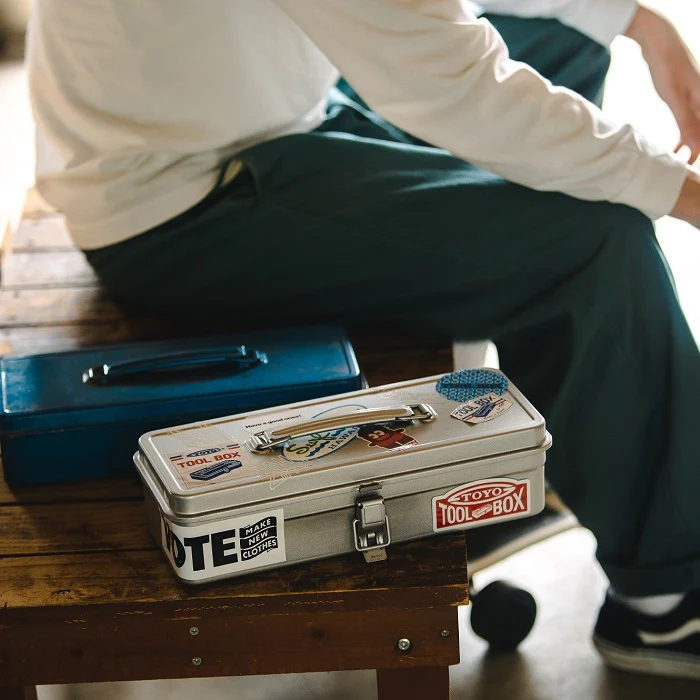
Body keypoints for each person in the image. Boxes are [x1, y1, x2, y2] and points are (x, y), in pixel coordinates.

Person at [27, 0, 700, 680]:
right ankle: (667, 602)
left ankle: (568, 430)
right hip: (186, 197)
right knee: (597, 251)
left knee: (570, 38)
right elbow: (453, 83)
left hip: (262, 117)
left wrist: (639, 19)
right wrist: (685, 192)